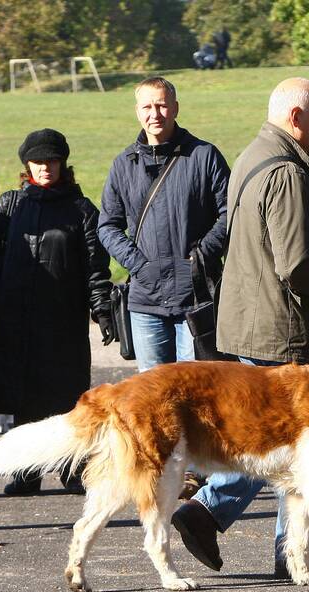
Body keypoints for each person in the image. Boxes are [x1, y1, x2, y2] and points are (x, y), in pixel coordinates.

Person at [171, 77, 309, 581]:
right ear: (295, 117)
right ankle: (211, 512)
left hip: (254, 320)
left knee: (282, 440)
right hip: (285, 329)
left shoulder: (252, 156)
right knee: (293, 442)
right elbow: (298, 266)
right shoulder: (287, 174)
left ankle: (292, 550)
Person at [0, 129, 114, 495]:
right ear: (26, 166)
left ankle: (72, 469)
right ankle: (26, 471)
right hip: (16, 320)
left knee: (67, 398)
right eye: (37, 162)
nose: (45, 168)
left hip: (62, 320)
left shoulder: (81, 210)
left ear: (63, 163)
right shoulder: (9, 205)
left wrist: (102, 309)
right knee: (23, 400)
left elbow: (96, 268)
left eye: (51, 161)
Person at [98, 77, 229, 372]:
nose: (154, 114)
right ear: (137, 111)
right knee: (153, 398)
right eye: (147, 106)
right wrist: (139, 266)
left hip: (196, 297)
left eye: (162, 106)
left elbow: (230, 213)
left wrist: (201, 257)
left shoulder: (204, 156)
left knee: (196, 392)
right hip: (146, 301)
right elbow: (107, 225)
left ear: (176, 108)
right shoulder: (123, 164)